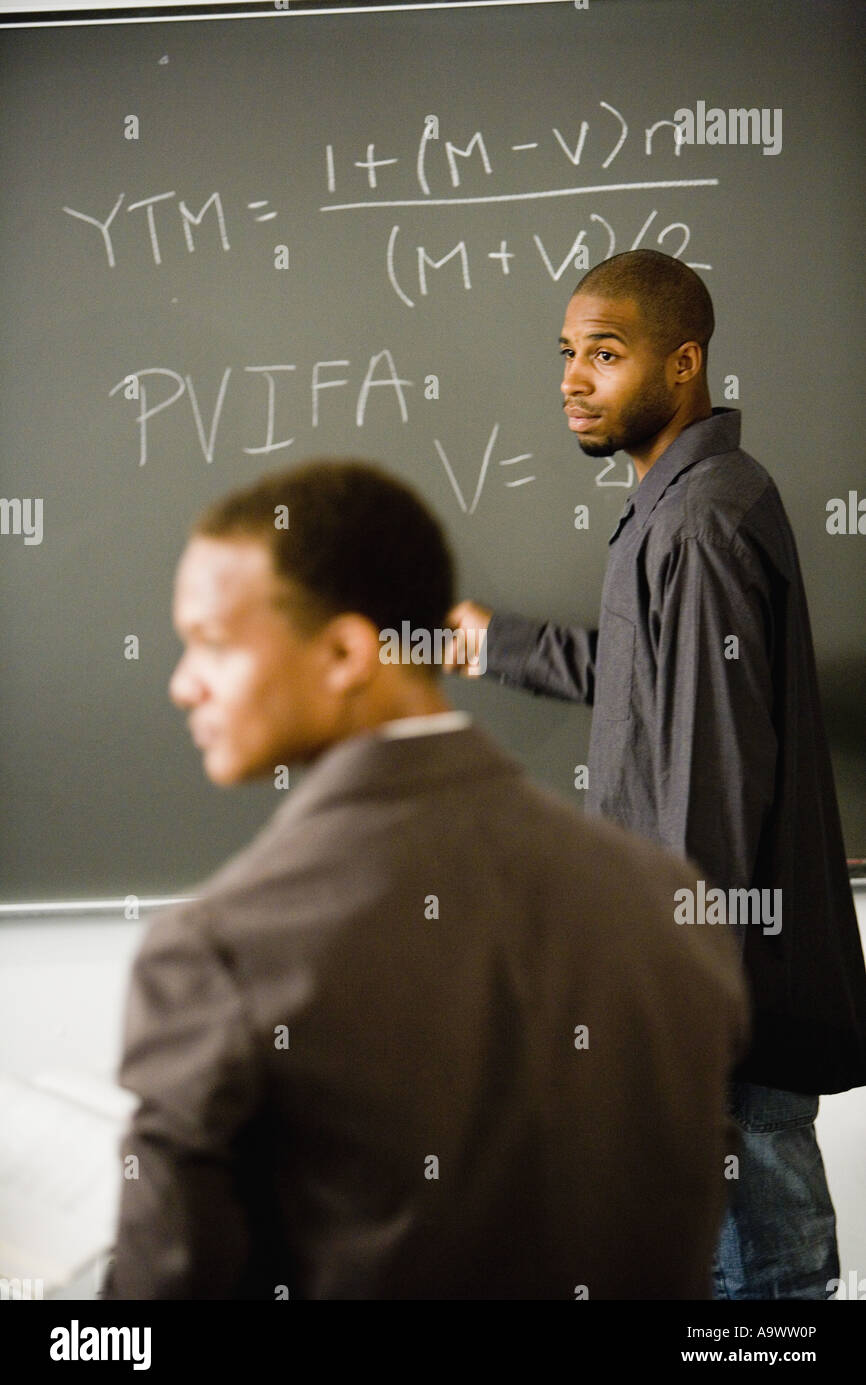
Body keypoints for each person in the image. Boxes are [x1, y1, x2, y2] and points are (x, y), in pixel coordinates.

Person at [104, 458, 747, 1300]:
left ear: (343, 652)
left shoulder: (219, 952)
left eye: (212, 644)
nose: (181, 684)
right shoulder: (669, 903)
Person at [448, 249, 866, 1300]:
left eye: (604, 352)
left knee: (763, 1292)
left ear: (682, 365)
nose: (572, 377)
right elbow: (643, 678)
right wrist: (496, 642)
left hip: (718, 1002)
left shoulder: (702, 519)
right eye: (566, 354)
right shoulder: (677, 509)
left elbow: (713, 779)